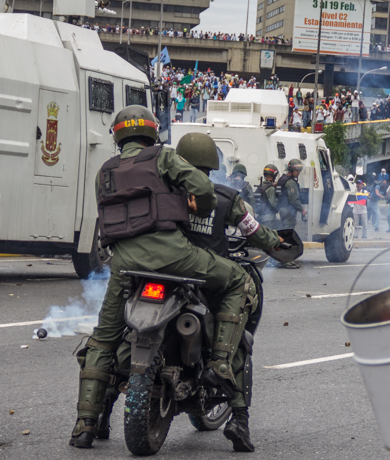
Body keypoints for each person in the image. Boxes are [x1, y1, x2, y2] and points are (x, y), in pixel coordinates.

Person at [69, 107, 255, 450]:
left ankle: (85, 425)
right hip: (175, 258)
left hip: (124, 265)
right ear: (153, 134)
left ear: (117, 136)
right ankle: (219, 364)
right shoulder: (162, 158)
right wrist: (193, 207)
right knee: (237, 281)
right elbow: (202, 188)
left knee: (103, 340)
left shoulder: (105, 171)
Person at [175, 133, 286, 451]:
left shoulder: (165, 192)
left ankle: (100, 410)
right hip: (210, 282)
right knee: (233, 338)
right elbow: (255, 231)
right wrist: (278, 244)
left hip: (167, 278)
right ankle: (239, 419)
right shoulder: (224, 196)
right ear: (213, 164)